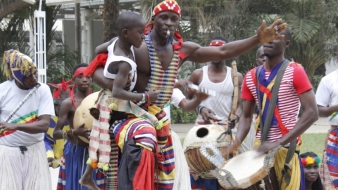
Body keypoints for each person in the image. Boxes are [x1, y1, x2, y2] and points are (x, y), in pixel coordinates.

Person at [91, 0, 287, 189]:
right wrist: (112, 85)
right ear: (153, 19)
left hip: (158, 118)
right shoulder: (136, 43)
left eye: (173, 19)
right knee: (145, 138)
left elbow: (222, 51)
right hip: (128, 115)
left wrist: (257, 39)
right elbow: (95, 65)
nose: (169, 23)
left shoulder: (181, 49)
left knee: (166, 174)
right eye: (164, 18)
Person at [227, 26, 319, 189]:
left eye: (276, 37)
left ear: (286, 43)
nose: (270, 40)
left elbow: (312, 113)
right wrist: (238, 141)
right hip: (260, 148)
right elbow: (247, 116)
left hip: (286, 148)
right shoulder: (251, 76)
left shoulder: (295, 71)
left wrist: (278, 142)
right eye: (268, 36)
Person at [186, 36, 243, 189]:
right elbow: (187, 100)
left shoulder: (236, 76)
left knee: (227, 171)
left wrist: (236, 116)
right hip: (203, 129)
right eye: (212, 51)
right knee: (202, 168)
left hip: (226, 129)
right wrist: (200, 108)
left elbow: (240, 105)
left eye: (220, 51)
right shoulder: (198, 74)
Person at [0, 49, 54, 189]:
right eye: (28, 75)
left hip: (35, 151)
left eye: (35, 73)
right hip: (7, 153)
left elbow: (44, 125)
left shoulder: (43, 89)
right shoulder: (3, 91)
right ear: (17, 76)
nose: (34, 78)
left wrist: (15, 126)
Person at [53, 64, 105, 190]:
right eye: (80, 76)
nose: (84, 79)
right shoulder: (68, 103)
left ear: (92, 79)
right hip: (76, 152)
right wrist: (74, 132)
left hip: (98, 152)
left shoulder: (101, 100)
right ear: (74, 80)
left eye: (87, 76)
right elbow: (56, 133)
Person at [315, 68, 338, 189]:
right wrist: (334, 108)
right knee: (333, 182)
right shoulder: (329, 80)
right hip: (336, 138)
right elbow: (318, 110)